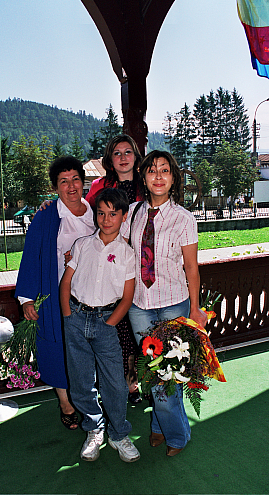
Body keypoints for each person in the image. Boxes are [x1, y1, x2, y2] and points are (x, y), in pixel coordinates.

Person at [121, 150, 207, 457]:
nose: (158, 176)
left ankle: (177, 435)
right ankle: (159, 427)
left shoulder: (184, 219)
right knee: (151, 371)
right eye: (152, 171)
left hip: (173, 304)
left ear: (173, 179)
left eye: (165, 171)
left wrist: (195, 309)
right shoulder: (130, 213)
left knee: (167, 373)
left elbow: (192, 268)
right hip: (139, 306)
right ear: (143, 177)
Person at [60, 188, 140, 463]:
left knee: (115, 383)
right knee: (81, 381)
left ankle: (119, 433)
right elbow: (66, 282)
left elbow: (127, 296)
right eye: (101, 213)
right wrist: (68, 315)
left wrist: (110, 323)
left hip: (106, 324)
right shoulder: (82, 245)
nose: (106, 219)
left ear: (123, 216)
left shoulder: (128, 254)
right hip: (77, 319)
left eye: (113, 214)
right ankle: (94, 429)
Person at [15, 156, 96, 430]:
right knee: (57, 346)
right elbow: (30, 257)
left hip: (92, 295)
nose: (71, 186)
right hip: (56, 293)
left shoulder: (96, 211)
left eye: (75, 179)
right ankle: (65, 401)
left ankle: (89, 400)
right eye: (64, 181)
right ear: (55, 187)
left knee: (88, 348)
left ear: (83, 182)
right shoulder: (46, 216)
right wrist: (27, 298)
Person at [85, 134, 143, 403]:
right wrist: (51, 205)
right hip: (108, 264)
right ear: (110, 158)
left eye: (128, 152)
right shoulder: (99, 186)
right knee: (116, 327)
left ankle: (137, 380)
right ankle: (119, 384)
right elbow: (82, 215)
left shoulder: (146, 184)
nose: (122, 157)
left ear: (136, 156)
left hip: (141, 264)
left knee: (137, 327)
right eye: (117, 153)